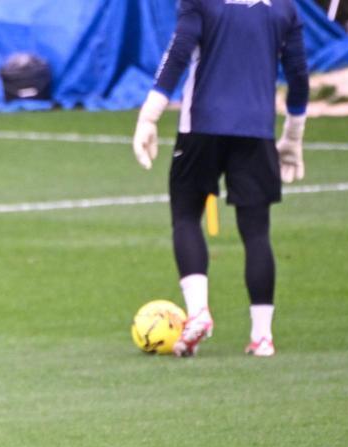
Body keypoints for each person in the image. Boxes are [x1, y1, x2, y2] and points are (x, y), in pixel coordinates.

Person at [132, 0, 309, 357]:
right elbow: (299, 75)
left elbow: (178, 52)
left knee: (185, 215)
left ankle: (198, 312)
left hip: (201, 126)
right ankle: (262, 337)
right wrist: (292, 136)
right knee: (256, 230)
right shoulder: (283, 8)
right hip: (257, 132)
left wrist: (149, 115)